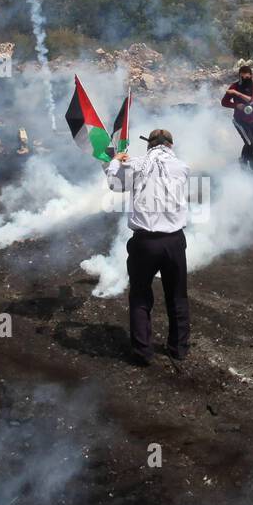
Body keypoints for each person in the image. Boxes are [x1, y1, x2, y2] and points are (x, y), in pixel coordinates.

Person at [104, 128, 191, 365]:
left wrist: (115, 162)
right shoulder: (182, 167)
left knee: (140, 296)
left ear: (149, 145)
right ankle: (178, 348)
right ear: (170, 146)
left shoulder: (136, 164)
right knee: (177, 296)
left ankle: (143, 352)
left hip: (144, 243)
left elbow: (114, 184)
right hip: (174, 241)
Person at [221, 60, 253, 172]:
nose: (244, 79)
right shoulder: (234, 86)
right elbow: (224, 102)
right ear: (239, 76)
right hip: (240, 121)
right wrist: (236, 105)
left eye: (246, 77)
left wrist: (236, 94)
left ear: (250, 76)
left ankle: (243, 161)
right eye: (242, 77)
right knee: (252, 144)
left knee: (250, 143)